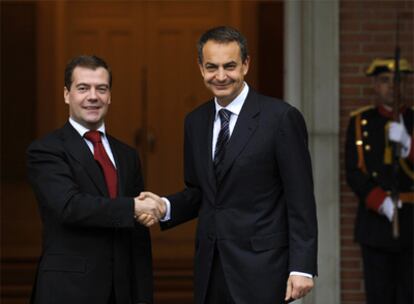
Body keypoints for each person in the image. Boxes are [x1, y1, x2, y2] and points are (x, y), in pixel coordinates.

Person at [138, 26, 318, 304]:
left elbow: (301, 199)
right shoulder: (195, 122)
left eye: (229, 66)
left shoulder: (280, 118)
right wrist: (165, 207)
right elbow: (201, 192)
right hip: (211, 268)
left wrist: (302, 267)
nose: (220, 76)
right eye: (212, 67)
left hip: (263, 269)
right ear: (200, 68)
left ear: (246, 65)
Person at [27, 55, 165, 304]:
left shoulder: (127, 156)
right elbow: (69, 206)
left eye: (101, 89)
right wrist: (133, 207)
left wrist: (143, 294)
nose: (93, 96)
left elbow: (138, 236)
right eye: (83, 88)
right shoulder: (46, 150)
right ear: (67, 94)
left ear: (109, 96)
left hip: (123, 292)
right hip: (68, 292)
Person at [345, 58, 414, 304]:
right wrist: (380, 201)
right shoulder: (360, 122)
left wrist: (408, 144)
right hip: (376, 222)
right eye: (385, 81)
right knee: (378, 295)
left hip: (411, 220)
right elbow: (353, 171)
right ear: (375, 85)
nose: (392, 86)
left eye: (398, 80)